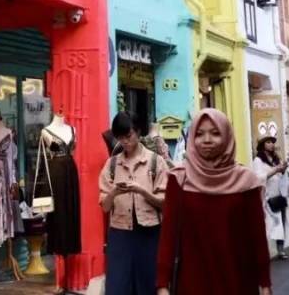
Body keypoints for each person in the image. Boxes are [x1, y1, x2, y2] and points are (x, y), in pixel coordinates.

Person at [156, 109, 271, 295]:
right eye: (199, 134)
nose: (207, 140)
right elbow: (168, 236)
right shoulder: (179, 180)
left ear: (226, 136)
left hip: (238, 282)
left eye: (215, 133)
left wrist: (265, 283)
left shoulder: (245, 181)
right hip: (192, 284)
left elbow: (257, 237)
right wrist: (162, 284)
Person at [100, 112, 168, 295]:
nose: (125, 141)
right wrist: (114, 192)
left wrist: (142, 191)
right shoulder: (111, 165)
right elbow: (105, 207)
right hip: (120, 235)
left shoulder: (156, 162)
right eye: (120, 138)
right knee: (118, 287)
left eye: (128, 136)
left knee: (148, 286)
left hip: (149, 234)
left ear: (138, 132)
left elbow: (165, 204)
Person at [252, 136, 289, 260]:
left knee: (281, 223)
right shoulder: (258, 160)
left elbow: (282, 177)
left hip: (279, 196)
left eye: (273, 142)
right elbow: (258, 178)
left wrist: (283, 169)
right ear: (262, 145)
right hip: (266, 197)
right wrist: (275, 170)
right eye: (268, 142)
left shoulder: (275, 159)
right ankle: (262, 250)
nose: (272, 144)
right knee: (267, 225)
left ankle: (280, 250)